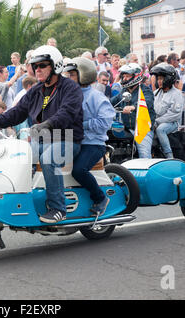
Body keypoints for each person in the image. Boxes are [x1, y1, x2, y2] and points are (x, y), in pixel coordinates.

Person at [0, 45, 84, 224]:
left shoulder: (70, 88)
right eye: (35, 66)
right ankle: (22, 200)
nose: (38, 69)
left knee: (49, 158)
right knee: (19, 156)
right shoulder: (36, 90)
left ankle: (58, 208)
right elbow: (18, 111)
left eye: (42, 65)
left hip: (67, 138)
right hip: (42, 138)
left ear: (55, 66)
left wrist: (47, 124)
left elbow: (66, 113)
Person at [64, 57, 115, 216]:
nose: (68, 78)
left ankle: (100, 198)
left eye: (72, 74)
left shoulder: (96, 97)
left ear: (84, 75)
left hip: (93, 144)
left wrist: (81, 125)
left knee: (78, 170)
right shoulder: (69, 95)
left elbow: (105, 122)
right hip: (73, 142)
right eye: (68, 74)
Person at [110, 63, 156, 159]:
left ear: (136, 76)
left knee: (144, 156)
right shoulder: (124, 91)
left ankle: (146, 169)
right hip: (128, 128)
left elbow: (147, 102)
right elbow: (113, 101)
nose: (125, 78)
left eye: (127, 76)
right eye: (123, 76)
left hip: (142, 129)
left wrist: (133, 107)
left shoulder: (145, 90)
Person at [150, 63, 185, 159]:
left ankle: (169, 155)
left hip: (172, 123)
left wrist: (157, 121)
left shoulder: (177, 94)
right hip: (156, 121)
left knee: (161, 129)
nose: (159, 81)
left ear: (168, 78)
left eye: (161, 78)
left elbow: (174, 114)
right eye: (158, 79)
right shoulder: (156, 93)